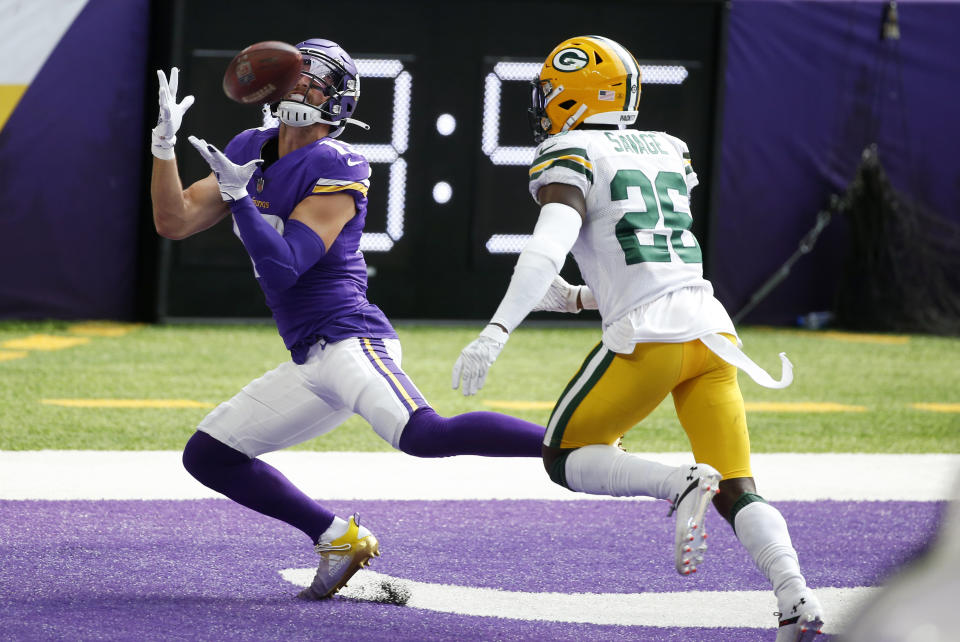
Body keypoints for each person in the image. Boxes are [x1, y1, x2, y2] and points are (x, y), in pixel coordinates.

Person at [452, 35, 824, 641]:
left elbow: (548, 247)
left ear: (573, 93)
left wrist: (497, 330)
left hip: (649, 340)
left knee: (563, 455)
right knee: (740, 487)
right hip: (712, 333)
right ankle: (795, 599)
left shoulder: (572, 149)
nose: (543, 102)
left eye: (550, 90)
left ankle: (678, 483)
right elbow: (649, 261)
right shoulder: (666, 149)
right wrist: (577, 297)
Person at [149, 38, 545, 601]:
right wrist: (163, 148)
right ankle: (337, 538)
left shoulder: (338, 161)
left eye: (313, 81)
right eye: (294, 76)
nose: (299, 87)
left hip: (349, 337)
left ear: (339, 101)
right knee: (210, 455)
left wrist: (240, 197)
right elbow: (175, 220)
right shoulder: (251, 148)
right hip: (309, 354)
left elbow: (287, 267)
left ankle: (570, 439)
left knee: (425, 435)